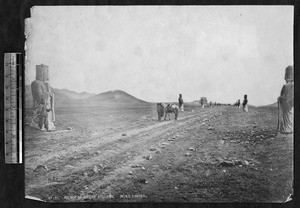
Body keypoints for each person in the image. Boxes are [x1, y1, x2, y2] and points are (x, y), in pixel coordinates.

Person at [277, 65, 294, 134]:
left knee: (288, 117)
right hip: (289, 106)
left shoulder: (288, 86)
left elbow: (288, 98)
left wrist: (281, 98)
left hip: (288, 106)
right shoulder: (289, 86)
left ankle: (287, 129)